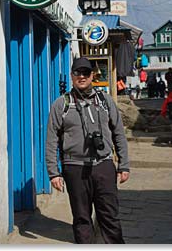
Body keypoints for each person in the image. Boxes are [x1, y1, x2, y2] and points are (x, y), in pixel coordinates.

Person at [45, 57, 130, 244]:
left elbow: (118, 133)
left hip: (104, 166)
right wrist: (54, 173)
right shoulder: (62, 104)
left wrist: (124, 165)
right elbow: (51, 140)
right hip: (74, 168)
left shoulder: (105, 101)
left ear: (92, 75)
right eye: (77, 73)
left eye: (85, 73)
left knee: (110, 217)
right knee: (82, 218)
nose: (81, 77)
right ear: (72, 76)